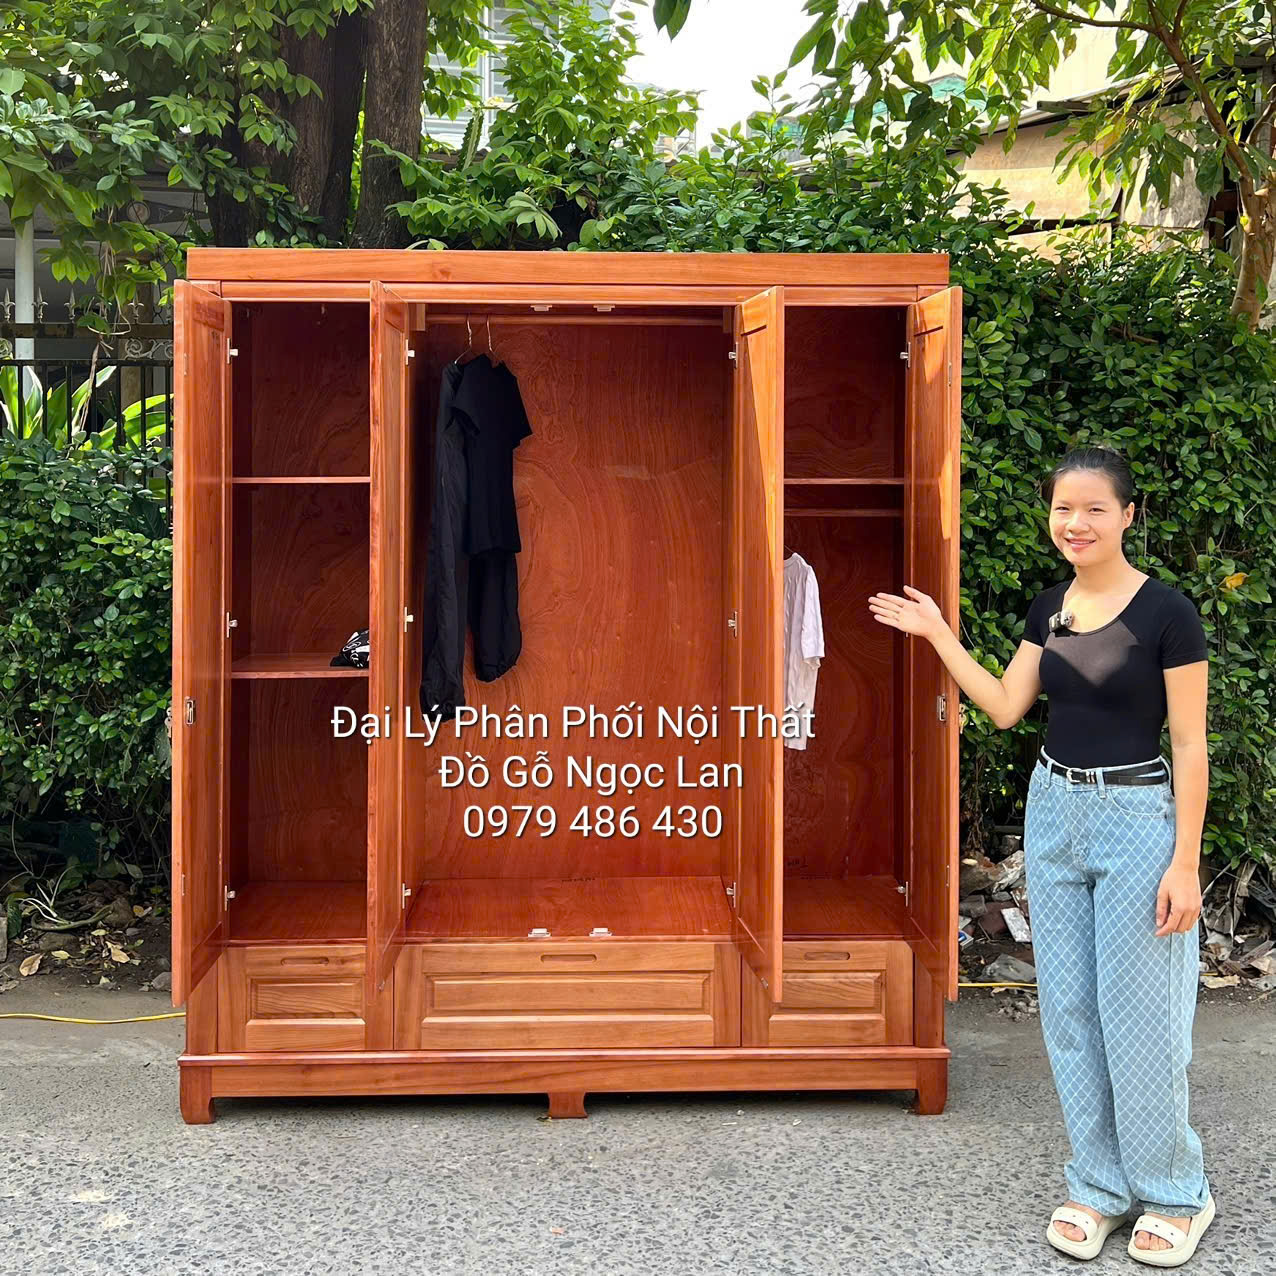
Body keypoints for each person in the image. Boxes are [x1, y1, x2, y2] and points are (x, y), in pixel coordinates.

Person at [868, 445, 1215, 1268]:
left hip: (1137, 816)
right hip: (1054, 809)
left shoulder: (1169, 613)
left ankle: (1176, 1193)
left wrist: (1185, 863)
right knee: (1070, 1010)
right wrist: (938, 633)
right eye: (1064, 508)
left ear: (1128, 516)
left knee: (1143, 1016)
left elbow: (1191, 745)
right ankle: (1099, 1186)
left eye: (1095, 508)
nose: (1076, 522)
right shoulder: (1050, 608)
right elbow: (1003, 706)